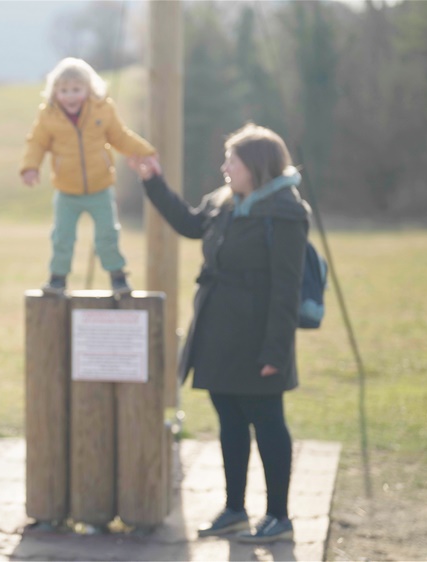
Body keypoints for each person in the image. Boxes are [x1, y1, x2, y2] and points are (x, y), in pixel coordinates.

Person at [127, 123, 308, 544]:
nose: (225, 166)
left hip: (260, 339)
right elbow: (190, 224)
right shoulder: (224, 204)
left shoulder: (286, 212)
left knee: (267, 423)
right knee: (229, 420)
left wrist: (276, 352)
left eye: (233, 160)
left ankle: (279, 515)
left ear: (256, 167)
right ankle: (234, 509)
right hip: (218, 333)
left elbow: (287, 288)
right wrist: (153, 181)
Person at [19, 57, 157, 295]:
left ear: (89, 89)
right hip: (66, 191)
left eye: (76, 89)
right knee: (62, 237)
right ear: (54, 92)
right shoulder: (49, 116)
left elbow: (120, 137)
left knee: (107, 235)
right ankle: (57, 279)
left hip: (100, 188)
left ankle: (118, 278)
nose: (70, 96)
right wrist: (30, 167)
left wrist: (145, 152)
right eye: (63, 90)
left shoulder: (102, 110)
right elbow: (36, 143)